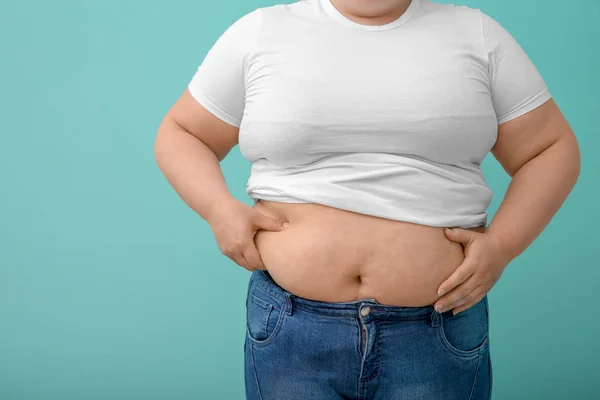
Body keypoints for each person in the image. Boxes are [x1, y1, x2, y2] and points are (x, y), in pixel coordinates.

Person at [154, 0, 581, 398]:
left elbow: (549, 148)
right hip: (292, 329)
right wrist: (217, 208)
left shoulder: (477, 36)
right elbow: (183, 132)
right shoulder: (261, 33)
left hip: (437, 329)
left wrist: (503, 245)